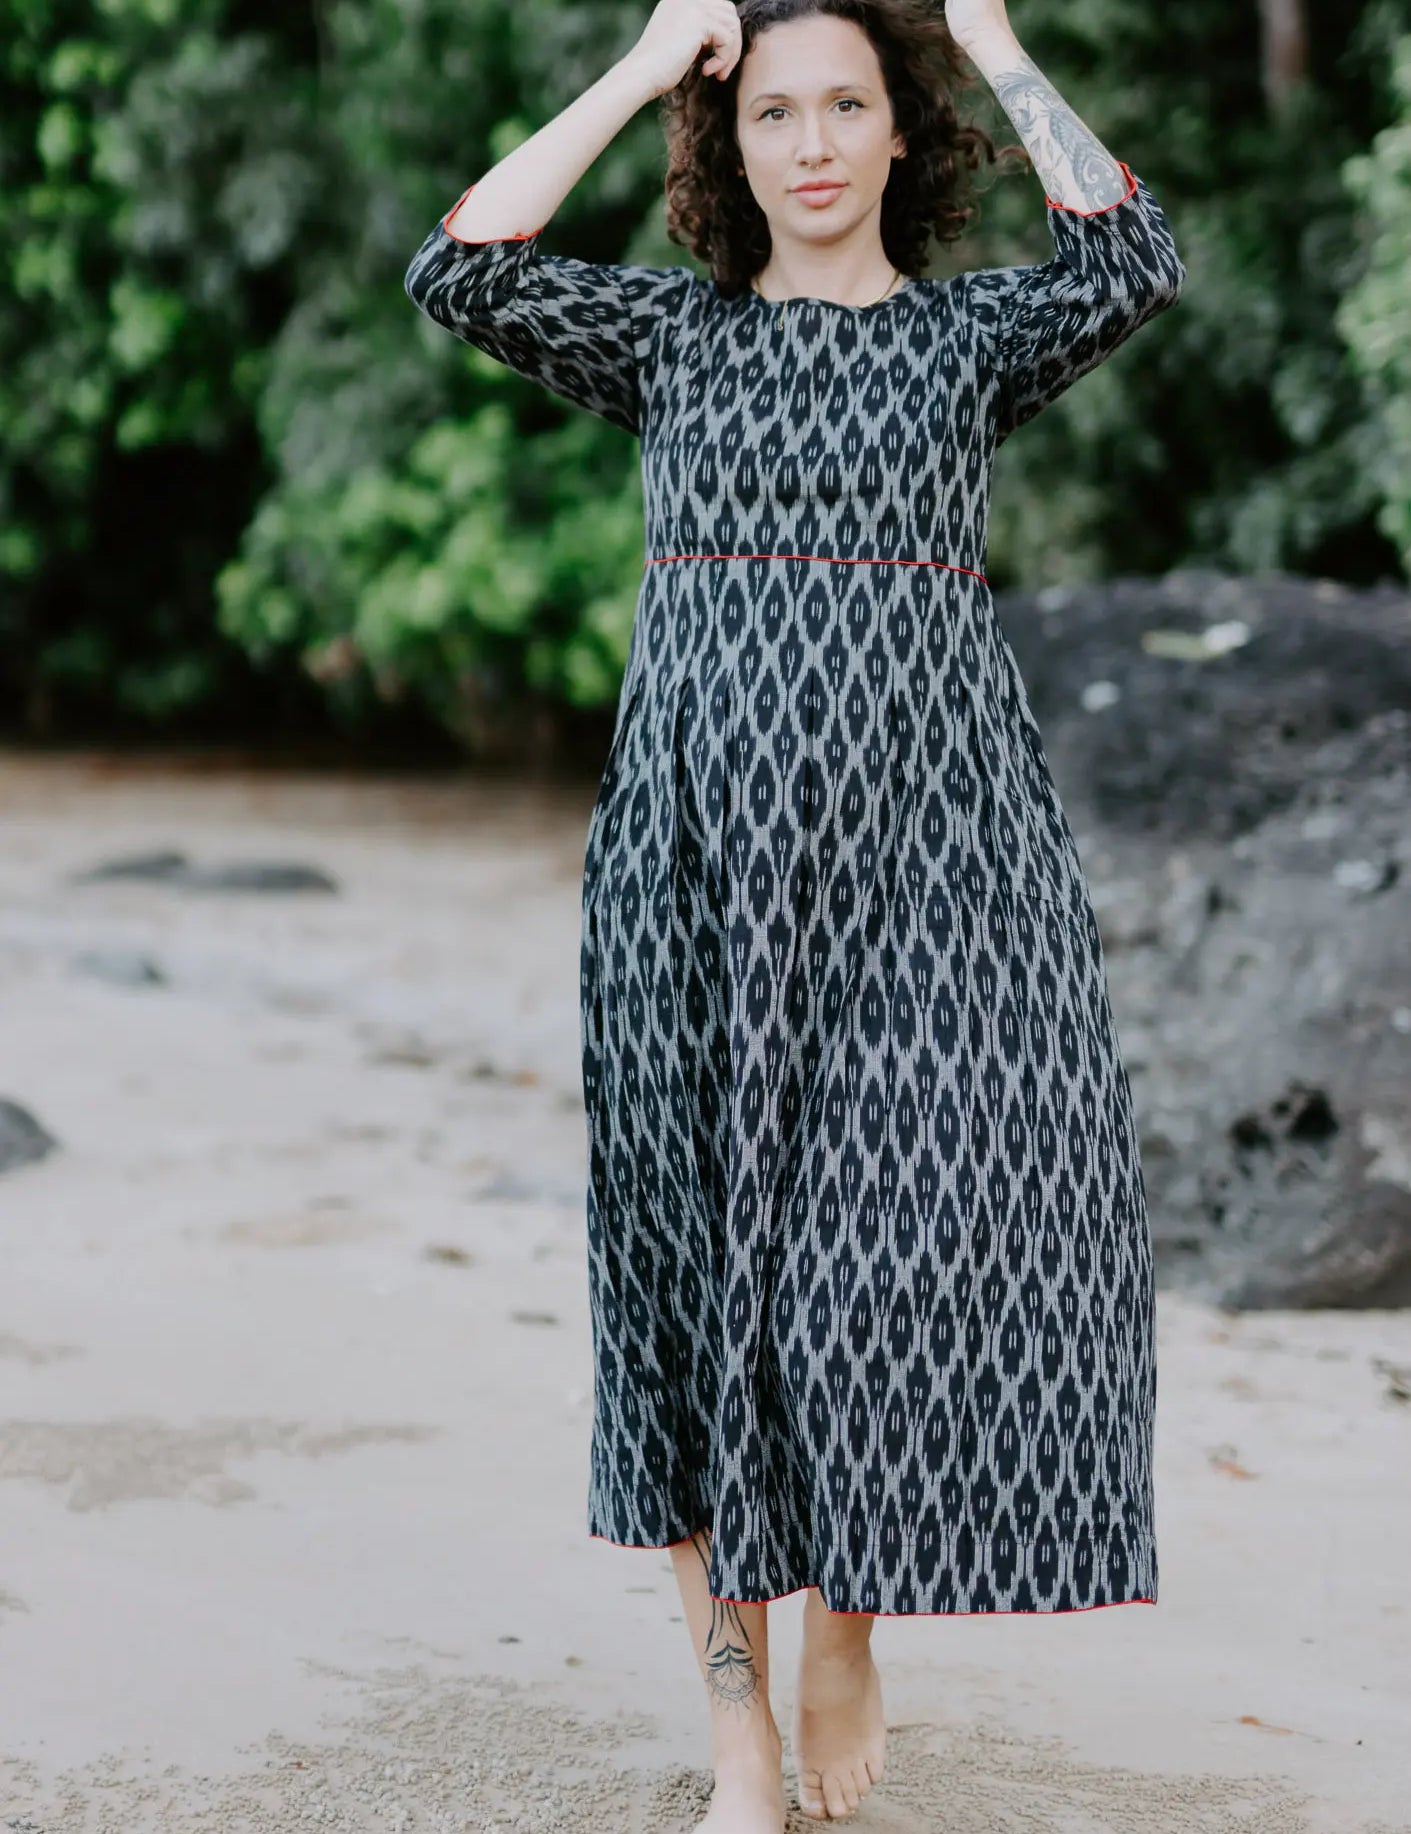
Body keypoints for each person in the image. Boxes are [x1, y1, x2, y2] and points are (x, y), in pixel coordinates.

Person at [404, 0, 1185, 1825]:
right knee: (693, 1292)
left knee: (903, 1248)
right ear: (729, 142)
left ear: (899, 139)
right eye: (775, 111)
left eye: (849, 106)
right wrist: (643, 56)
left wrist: (986, 35)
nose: (816, 141)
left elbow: (1134, 249)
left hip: (934, 868)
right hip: (694, 875)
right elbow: (459, 264)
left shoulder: (969, 336)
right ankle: (738, 1728)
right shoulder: (671, 337)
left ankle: (849, 1611)